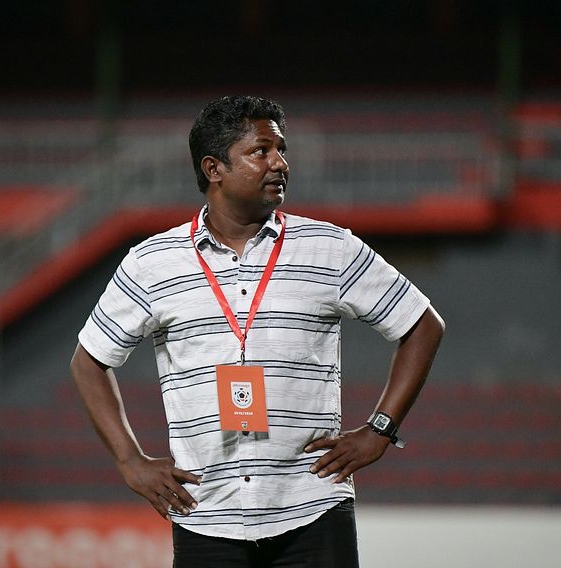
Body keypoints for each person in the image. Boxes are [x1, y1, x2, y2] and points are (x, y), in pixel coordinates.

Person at [70, 95, 445, 567]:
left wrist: (380, 430)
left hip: (312, 507)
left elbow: (422, 324)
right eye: (260, 151)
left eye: (281, 150)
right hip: (206, 515)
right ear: (214, 168)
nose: (280, 163)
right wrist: (130, 461)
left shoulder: (329, 247)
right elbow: (89, 360)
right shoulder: (152, 262)